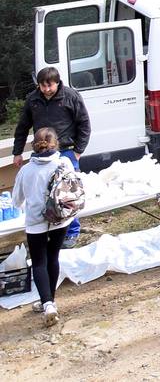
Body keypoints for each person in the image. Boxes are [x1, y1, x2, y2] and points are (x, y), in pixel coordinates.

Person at [10, 67, 90, 246]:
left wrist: (78, 150)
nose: (46, 89)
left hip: (67, 151)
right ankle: (48, 229)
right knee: (42, 193)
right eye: (42, 86)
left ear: (57, 82)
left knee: (67, 194)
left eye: (49, 85)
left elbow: (84, 124)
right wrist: (17, 152)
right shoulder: (33, 100)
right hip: (41, 152)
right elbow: (22, 127)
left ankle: (71, 231)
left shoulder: (71, 96)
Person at [11, 127, 72, 324]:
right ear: (56, 144)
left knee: (39, 262)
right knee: (53, 257)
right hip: (60, 218)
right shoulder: (64, 162)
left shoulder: (26, 170)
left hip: (35, 222)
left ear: (34, 147)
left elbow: (17, 200)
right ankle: (50, 301)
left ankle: (47, 303)